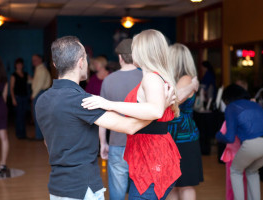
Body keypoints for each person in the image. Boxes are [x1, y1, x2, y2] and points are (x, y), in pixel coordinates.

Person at [35, 36, 174, 200]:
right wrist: (160, 107)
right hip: (82, 188)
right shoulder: (82, 101)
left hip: (57, 187)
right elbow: (129, 126)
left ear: (55, 64)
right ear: (81, 62)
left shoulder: (42, 100)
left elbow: (47, 142)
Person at [82, 30, 198, 200]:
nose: (132, 51)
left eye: (134, 47)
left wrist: (108, 104)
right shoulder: (154, 76)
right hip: (152, 153)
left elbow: (155, 110)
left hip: (151, 157)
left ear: (143, 50)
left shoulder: (151, 77)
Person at [99, 38, 143, 200]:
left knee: (117, 193)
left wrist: (103, 143)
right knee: (140, 189)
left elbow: (103, 114)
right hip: (142, 143)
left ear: (120, 58)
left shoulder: (108, 80)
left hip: (117, 143)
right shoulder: (147, 78)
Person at [216, 84, 263, 200]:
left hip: (253, 144)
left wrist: (218, 135)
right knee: (252, 171)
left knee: (235, 170)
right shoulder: (255, 105)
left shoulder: (231, 107)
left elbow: (230, 138)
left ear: (227, 98)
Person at [167, 43, 203, 200]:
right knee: (171, 184)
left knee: (186, 184)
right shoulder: (179, 79)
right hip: (172, 137)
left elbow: (174, 101)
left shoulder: (187, 79)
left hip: (183, 137)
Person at [31, 54, 51, 140]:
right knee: (38, 115)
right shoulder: (39, 69)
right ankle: (38, 135)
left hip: (39, 93)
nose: (33, 61)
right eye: (33, 60)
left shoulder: (41, 70)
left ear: (40, 59)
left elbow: (39, 85)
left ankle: (39, 136)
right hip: (40, 93)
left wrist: (33, 95)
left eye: (35, 59)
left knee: (38, 115)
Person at [10, 58, 29, 139]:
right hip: (17, 97)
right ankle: (19, 134)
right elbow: (11, 88)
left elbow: (34, 81)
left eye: (20, 64)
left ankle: (23, 134)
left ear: (22, 65)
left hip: (25, 97)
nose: (19, 65)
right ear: (15, 65)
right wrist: (13, 99)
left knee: (23, 116)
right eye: (18, 64)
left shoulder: (26, 74)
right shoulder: (13, 75)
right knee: (19, 116)